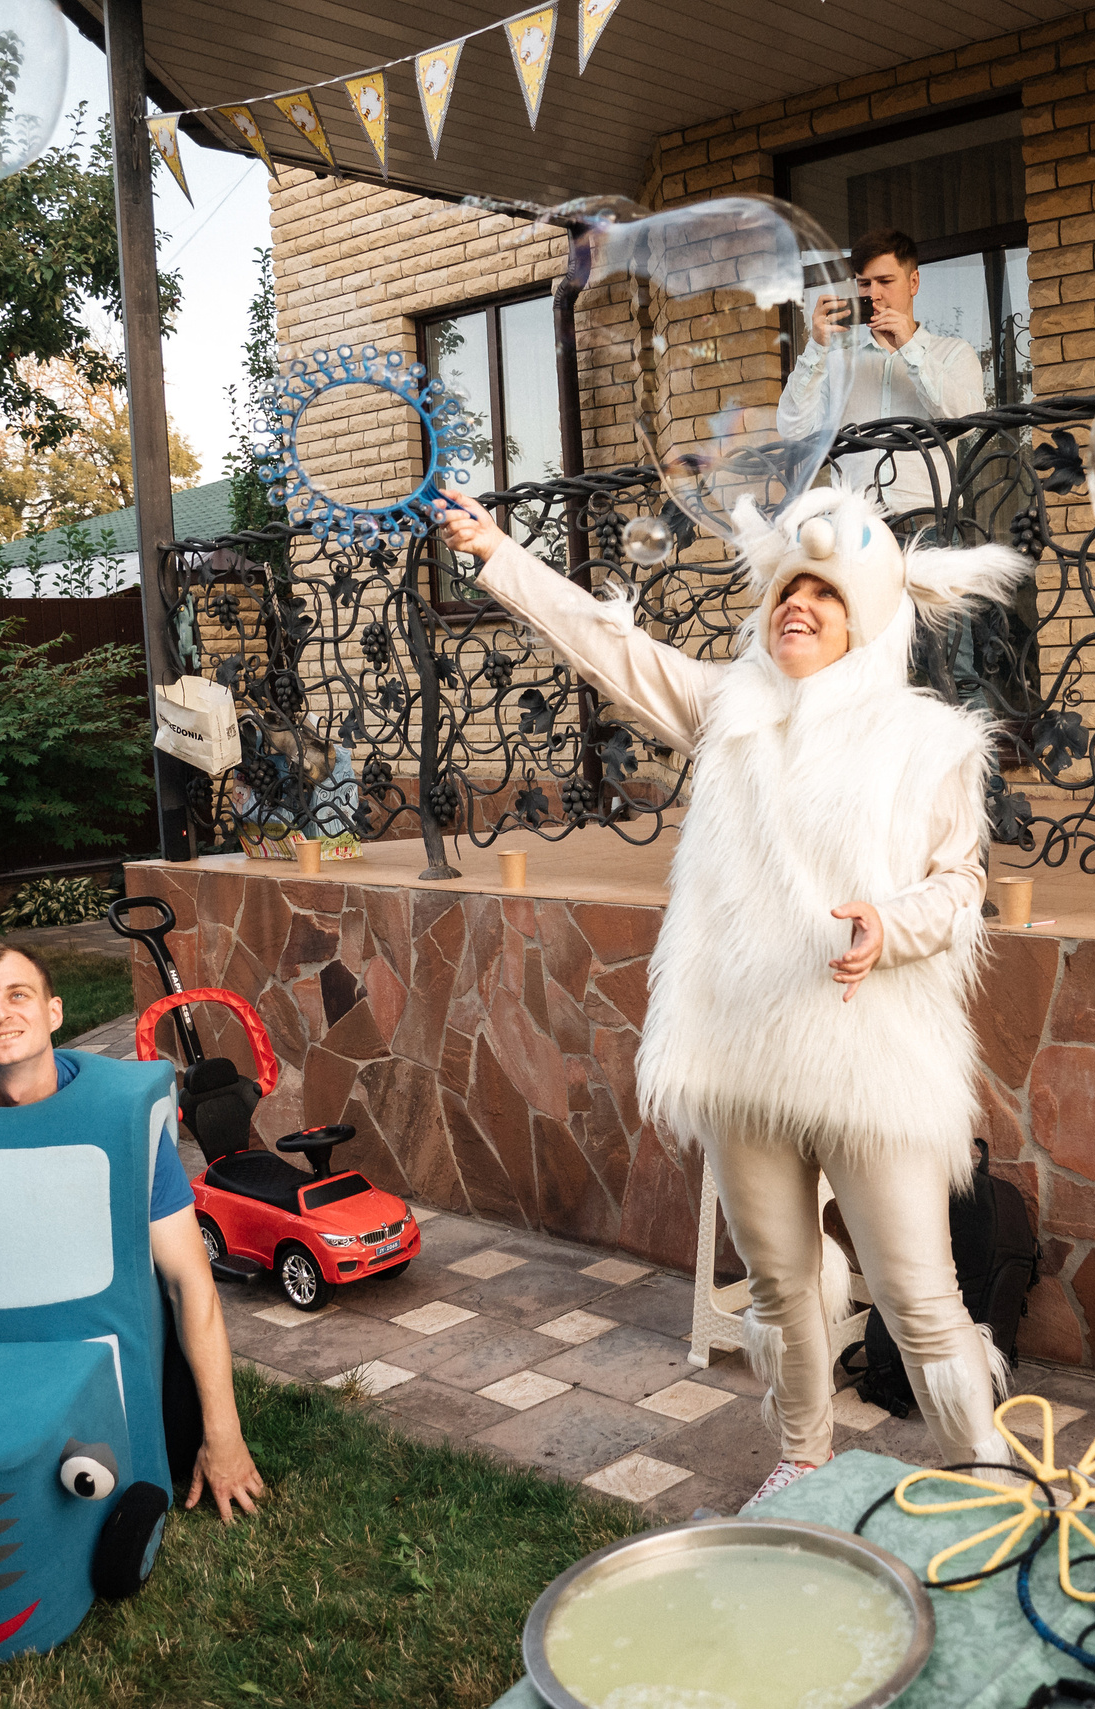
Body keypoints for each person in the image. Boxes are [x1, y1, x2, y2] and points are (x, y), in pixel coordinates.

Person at [437, 479, 1027, 1507]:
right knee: (782, 1284)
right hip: (740, 1048)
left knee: (920, 1297)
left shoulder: (930, 744)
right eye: (785, 589)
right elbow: (604, 645)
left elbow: (957, 890)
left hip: (870, 1056)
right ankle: (801, 1461)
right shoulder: (728, 707)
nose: (795, 605)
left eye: (824, 594)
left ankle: (991, 1484)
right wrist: (495, 552)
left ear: (867, 616)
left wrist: (889, 926)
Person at [0, 943, 265, 1525]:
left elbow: (190, 1286)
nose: (0, 1014)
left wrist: (224, 1436)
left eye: (19, 995)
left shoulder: (120, 1121)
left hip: (100, 1360)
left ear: (54, 1013)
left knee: (154, 1449)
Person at [781, 228, 989, 516]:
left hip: (931, 524)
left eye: (885, 281)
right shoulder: (837, 362)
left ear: (913, 282)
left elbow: (968, 424)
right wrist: (816, 347)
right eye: (864, 283)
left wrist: (910, 347)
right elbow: (794, 432)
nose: (873, 294)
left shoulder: (953, 353)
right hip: (856, 527)